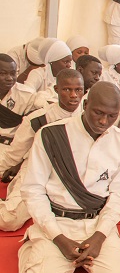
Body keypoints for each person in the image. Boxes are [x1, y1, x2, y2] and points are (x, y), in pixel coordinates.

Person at [18, 82, 120, 273]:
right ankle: (32, 246)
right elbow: (33, 190)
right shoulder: (51, 135)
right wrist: (57, 237)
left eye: (112, 116)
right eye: (98, 113)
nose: (104, 121)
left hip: (97, 222)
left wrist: (100, 235)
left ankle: (76, 258)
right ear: (85, 104)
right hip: (57, 221)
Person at [0, 69, 84, 232]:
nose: (73, 95)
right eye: (67, 89)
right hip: (37, 171)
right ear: (56, 90)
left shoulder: (90, 118)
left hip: (77, 175)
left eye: (78, 90)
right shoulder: (38, 119)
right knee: (9, 220)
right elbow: (13, 155)